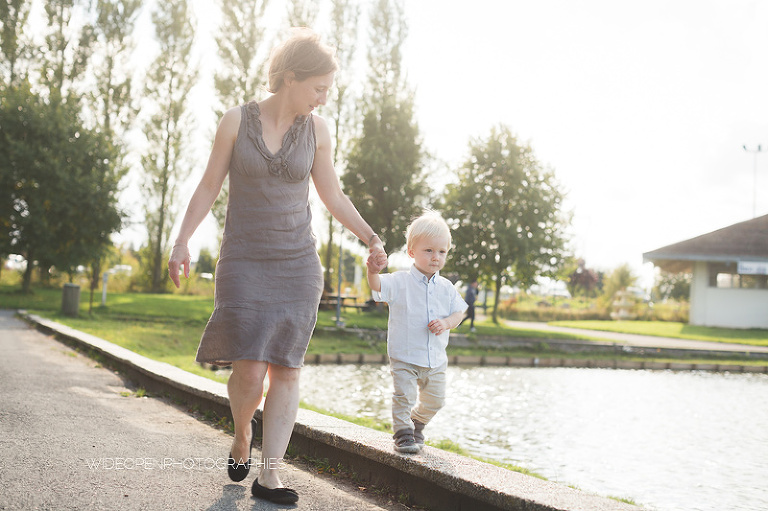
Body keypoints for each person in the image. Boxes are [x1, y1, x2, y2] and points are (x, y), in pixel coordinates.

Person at [167, 29, 387, 505]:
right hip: (244, 260)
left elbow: (332, 194)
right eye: (319, 87)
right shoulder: (235, 121)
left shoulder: (318, 130)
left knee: (286, 368)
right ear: (291, 77)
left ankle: (270, 475)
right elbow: (208, 186)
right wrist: (182, 240)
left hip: (298, 265)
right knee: (248, 373)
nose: (324, 97)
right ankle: (242, 434)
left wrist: (370, 237)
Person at [366, 212, 467, 454]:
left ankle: (417, 422)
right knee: (404, 395)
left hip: (435, 360)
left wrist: (446, 323)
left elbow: (460, 312)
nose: (436, 257)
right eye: (429, 251)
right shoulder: (400, 281)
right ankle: (403, 433)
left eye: (441, 252)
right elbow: (377, 285)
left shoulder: (447, 288)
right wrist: (372, 271)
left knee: (436, 400)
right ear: (412, 252)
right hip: (405, 355)